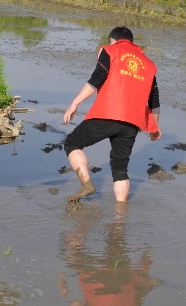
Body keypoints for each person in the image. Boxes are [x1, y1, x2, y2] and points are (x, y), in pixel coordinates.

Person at [62, 26, 161, 202]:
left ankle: (86, 184)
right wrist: (155, 126)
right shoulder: (148, 64)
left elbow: (96, 80)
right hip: (132, 123)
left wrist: (75, 103)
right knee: (120, 167)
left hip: (107, 113)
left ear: (113, 41)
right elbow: (154, 101)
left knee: (72, 142)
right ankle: (120, 219)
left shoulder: (110, 51)